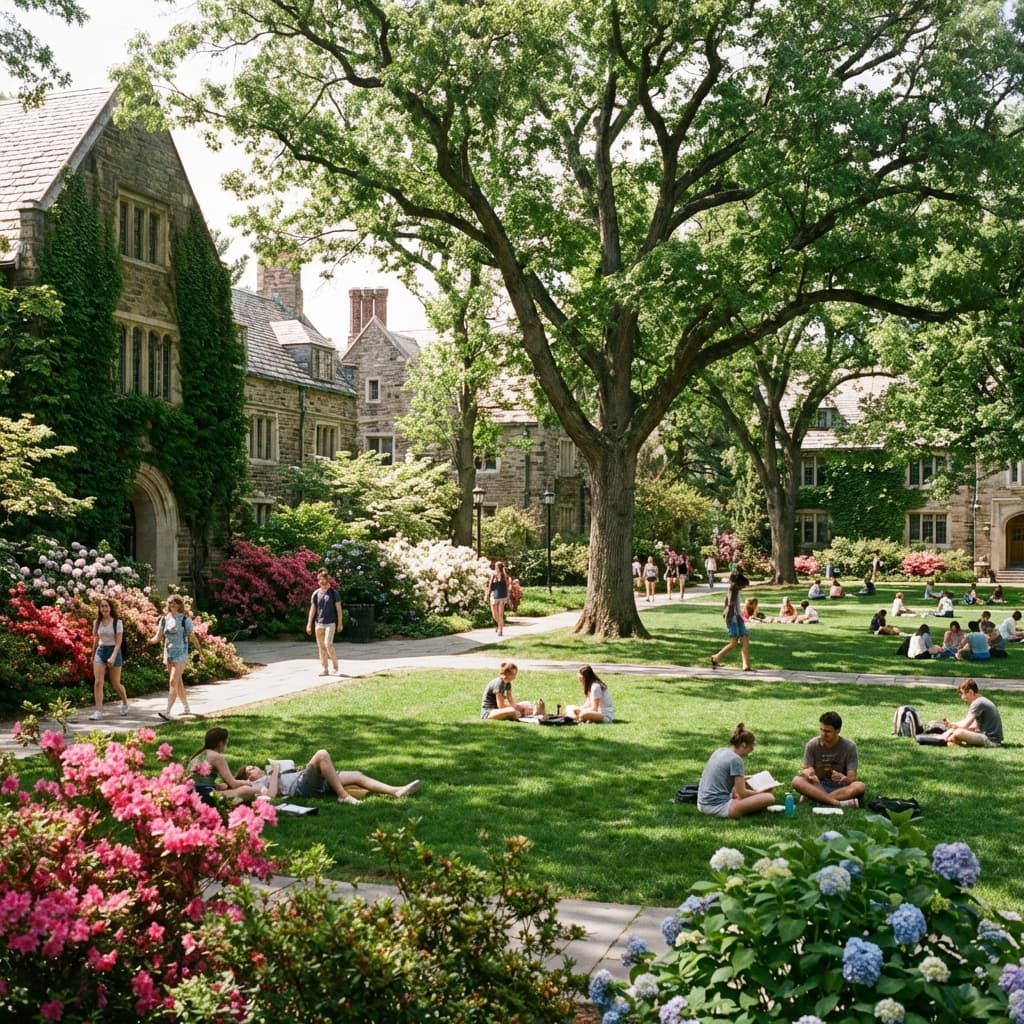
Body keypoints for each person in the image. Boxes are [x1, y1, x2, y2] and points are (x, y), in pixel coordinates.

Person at [241, 750, 421, 805]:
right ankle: (343, 796)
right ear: (249, 778)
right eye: (249, 771)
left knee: (357, 775)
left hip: (306, 777)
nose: (253, 769)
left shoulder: (270, 771)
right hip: (301, 787)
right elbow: (271, 796)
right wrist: (275, 772)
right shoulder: (258, 784)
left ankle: (396, 791)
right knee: (322, 754)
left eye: (253, 767)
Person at [696, 722, 776, 819]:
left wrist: (745, 779)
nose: (749, 753)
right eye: (751, 748)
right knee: (769, 797)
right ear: (744, 745)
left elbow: (725, 777)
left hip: (702, 804)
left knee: (746, 786)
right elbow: (741, 793)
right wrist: (762, 793)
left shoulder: (720, 751)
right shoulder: (736, 759)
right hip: (718, 807)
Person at [791, 711, 866, 809]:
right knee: (796, 781)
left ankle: (815, 799)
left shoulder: (849, 747)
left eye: (827, 731)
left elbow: (852, 777)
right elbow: (807, 768)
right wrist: (809, 772)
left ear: (838, 730)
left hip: (840, 788)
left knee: (859, 786)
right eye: (821, 730)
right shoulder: (812, 744)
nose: (823, 734)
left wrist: (844, 779)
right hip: (817, 785)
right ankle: (839, 804)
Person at [151, 595, 199, 720]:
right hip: (169, 653)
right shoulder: (164, 619)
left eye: (173, 602)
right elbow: (159, 636)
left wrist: (200, 651)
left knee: (173, 681)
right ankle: (186, 706)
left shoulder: (185, 620)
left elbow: (192, 637)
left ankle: (167, 712)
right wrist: (149, 641)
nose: (171, 604)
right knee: (178, 683)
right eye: (169, 602)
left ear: (179, 604)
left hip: (181, 653)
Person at [187, 727, 262, 805]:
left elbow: (199, 781)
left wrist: (219, 786)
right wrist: (247, 782)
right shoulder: (216, 757)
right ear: (220, 743)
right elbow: (233, 784)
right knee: (247, 790)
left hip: (193, 795)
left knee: (224, 786)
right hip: (205, 797)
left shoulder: (199, 755)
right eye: (226, 742)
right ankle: (268, 795)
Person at [89, 596, 129, 720]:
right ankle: (99, 711)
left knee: (115, 683)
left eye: (106, 606)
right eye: (102, 606)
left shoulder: (117, 622)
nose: (104, 608)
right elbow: (96, 639)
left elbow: (118, 643)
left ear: (110, 608)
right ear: (100, 609)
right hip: (100, 651)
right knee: (98, 682)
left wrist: (112, 656)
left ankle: (125, 703)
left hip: (114, 651)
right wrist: (93, 653)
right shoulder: (97, 622)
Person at [939, 679, 1003, 747]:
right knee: (954, 731)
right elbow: (974, 726)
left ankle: (948, 740)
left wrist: (954, 726)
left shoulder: (977, 703)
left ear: (970, 692)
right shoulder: (981, 700)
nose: (962, 698)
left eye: (962, 694)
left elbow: (965, 725)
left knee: (958, 732)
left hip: (990, 740)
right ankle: (950, 739)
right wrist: (952, 727)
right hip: (994, 740)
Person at [711, 569, 752, 671]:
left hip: (738, 618)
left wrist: (740, 616)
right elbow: (729, 604)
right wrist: (729, 616)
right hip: (732, 619)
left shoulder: (736, 590)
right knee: (734, 642)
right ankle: (716, 657)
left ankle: (746, 665)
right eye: (743, 585)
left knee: (745, 639)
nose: (744, 587)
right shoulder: (732, 590)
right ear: (738, 584)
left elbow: (728, 603)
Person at [306, 569, 343, 676]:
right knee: (321, 647)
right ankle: (324, 669)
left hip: (330, 623)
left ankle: (335, 666)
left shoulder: (334, 593)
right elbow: (312, 609)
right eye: (320, 580)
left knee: (328, 644)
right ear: (318, 581)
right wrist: (309, 624)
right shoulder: (316, 594)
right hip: (319, 624)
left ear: (328, 580)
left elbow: (339, 609)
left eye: (324, 580)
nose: (322, 582)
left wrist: (340, 623)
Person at [486, 561, 511, 637]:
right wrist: (487, 594)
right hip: (494, 596)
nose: (495, 568)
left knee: (500, 614)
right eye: (495, 567)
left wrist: (508, 597)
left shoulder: (504, 576)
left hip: (502, 596)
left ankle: (500, 630)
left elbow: (507, 587)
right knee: (495, 615)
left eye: (497, 567)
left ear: (500, 568)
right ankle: (499, 625)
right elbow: (490, 586)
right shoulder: (493, 575)